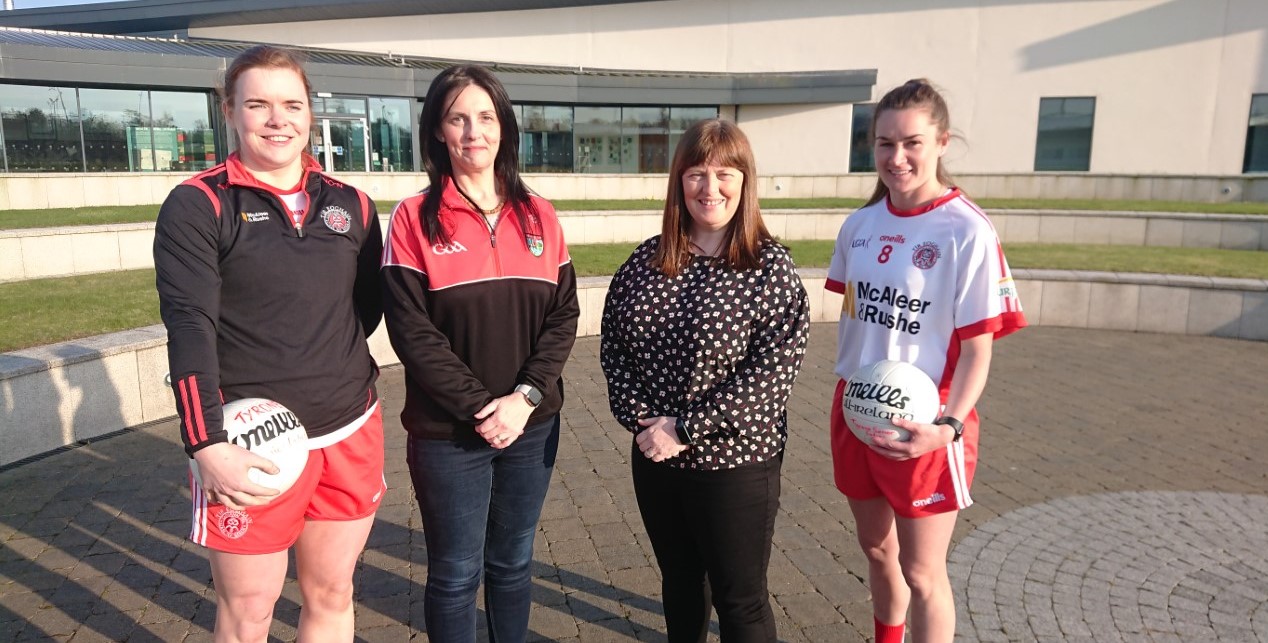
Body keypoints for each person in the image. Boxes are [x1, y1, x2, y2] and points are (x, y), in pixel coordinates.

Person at [154, 45, 385, 642]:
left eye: (291, 104)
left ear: (310, 113)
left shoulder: (352, 204)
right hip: (249, 441)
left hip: (349, 427)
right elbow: (189, 326)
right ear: (230, 110)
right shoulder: (198, 203)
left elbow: (365, 309)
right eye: (258, 104)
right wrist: (206, 441)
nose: (277, 119)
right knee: (250, 611)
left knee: (333, 593)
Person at [379, 64, 578, 643]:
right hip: (448, 434)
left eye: (485, 117)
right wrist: (481, 408)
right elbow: (411, 333)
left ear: (504, 127)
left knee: (513, 565)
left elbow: (563, 316)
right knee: (456, 574)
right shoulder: (413, 218)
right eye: (457, 118)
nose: (473, 132)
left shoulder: (540, 214)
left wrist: (522, 399)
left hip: (531, 427)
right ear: (438, 130)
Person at [826, 79, 1027, 643]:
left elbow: (978, 350)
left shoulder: (967, 231)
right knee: (875, 548)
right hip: (857, 410)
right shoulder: (859, 227)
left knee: (923, 572)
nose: (897, 157)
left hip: (927, 422)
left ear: (942, 141)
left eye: (912, 142)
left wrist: (948, 428)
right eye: (885, 144)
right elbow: (858, 319)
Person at [600, 118, 810, 642]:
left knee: (741, 599)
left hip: (734, 463)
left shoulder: (769, 268)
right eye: (696, 173)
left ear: (745, 182)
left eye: (724, 174)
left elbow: (771, 374)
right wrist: (643, 421)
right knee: (681, 583)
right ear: (679, 181)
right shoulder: (646, 261)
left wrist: (684, 428)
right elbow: (614, 346)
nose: (709, 188)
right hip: (656, 458)